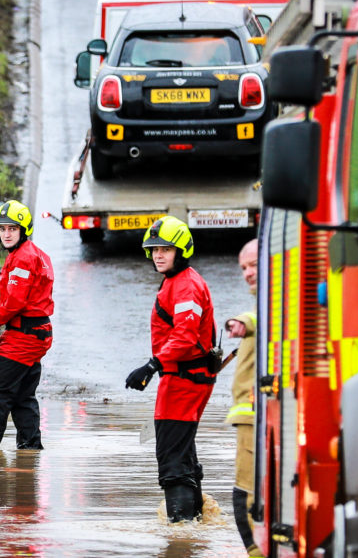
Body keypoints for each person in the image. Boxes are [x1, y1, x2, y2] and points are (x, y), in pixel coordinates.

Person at [125, 215, 218, 523]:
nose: (159, 255)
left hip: (184, 380)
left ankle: (181, 533)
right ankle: (195, 523)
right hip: (181, 378)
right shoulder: (177, 282)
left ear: (181, 251)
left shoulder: (186, 286)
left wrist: (151, 366)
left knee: (172, 457)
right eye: (154, 249)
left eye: (166, 248)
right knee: (182, 451)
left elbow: (185, 335)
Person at [0, 200, 54, 450]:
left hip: (23, 337)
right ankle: (30, 449)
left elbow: (15, 301)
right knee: (22, 397)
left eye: (12, 229)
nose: (6, 234)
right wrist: (4, 278)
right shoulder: (31, 253)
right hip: (37, 333)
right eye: (2, 229)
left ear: (23, 230)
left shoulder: (23, 259)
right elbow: (26, 287)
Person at [225, 238, 262, 556]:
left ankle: (254, 551)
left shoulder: (272, 301)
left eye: (253, 265)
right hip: (250, 416)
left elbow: (257, 320)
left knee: (245, 493)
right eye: (243, 268)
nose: (248, 273)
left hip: (253, 416)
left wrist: (241, 323)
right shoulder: (264, 300)